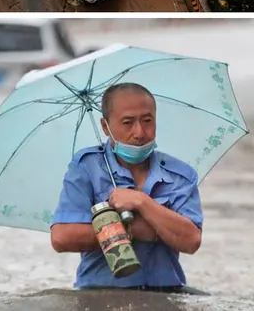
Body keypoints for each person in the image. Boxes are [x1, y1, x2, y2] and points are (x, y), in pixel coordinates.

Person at [50, 83, 203, 289]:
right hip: (100, 294)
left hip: (166, 294)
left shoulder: (180, 175)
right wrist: (135, 229)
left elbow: (191, 240)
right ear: (105, 127)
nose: (139, 132)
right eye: (128, 122)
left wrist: (142, 202)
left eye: (147, 121)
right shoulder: (86, 168)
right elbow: (62, 237)